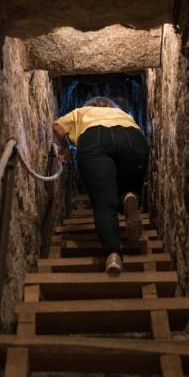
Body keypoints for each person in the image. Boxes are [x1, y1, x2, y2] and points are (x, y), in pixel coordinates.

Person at [53, 97, 149, 276]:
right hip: (133, 138)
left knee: (104, 202)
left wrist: (65, 149)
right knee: (127, 186)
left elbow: (57, 127)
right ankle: (128, 197)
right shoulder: (122, 113)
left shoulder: (80, 112)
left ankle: (113, 254)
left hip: (94, 139)